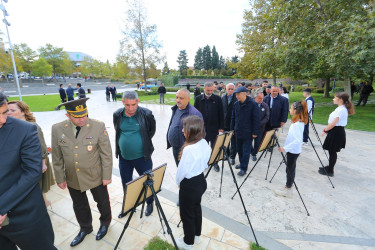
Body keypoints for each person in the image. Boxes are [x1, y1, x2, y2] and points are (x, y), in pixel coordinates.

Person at [52, 98, 113, 246]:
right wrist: (60, 178)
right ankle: (85, 228)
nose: (82, 119)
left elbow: (106, 153)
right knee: (79, 205)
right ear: (68, 115)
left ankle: (105, 222)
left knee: (102, 201)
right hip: (73, 177)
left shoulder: (98, 126)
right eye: (77, 116)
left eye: (84, 115)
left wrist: (107, 176)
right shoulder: (58, 129)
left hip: (95, 175)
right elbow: (57, 156)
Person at [0, 93, 56, 250]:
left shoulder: (25, 129)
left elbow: (32, 171)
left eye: (4, 112)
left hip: (25, 217)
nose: (3, 120)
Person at [113, 91, 156, 217]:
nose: (130, 108)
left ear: (137, 102)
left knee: (147, 182)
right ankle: (129, 206)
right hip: (124, 158)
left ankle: (149, 202)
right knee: (126, 183)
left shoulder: (146, 114)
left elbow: (151, 131)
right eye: (127, 105)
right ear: (123, 103)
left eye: (133, 104)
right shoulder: (117, 114)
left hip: (143, 157)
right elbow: (118, 131)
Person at [7, 100, 55, 208]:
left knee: (38, 186)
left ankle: (44, 205)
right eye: (7, 110)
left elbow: (42, 145)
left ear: (23, 112)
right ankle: (45, 203)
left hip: (36, 162)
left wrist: (43, 163)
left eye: (13, 110)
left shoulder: (32, 125)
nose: (9, 113)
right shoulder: (13, 126)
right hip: (23, 163)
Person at [175, 115, 211, 250]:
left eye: (184, 128)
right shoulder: (204, 142)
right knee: (196, 208)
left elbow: (181, 171)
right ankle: (197, 235)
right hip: (201, 181)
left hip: (189, 185)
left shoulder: (189, 149)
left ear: (192, 130)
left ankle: (188, 242)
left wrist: (178, 182)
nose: (182, 131)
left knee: (187, 214)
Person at [274, 101, 308, 198]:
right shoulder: (298, 121)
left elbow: (297, 140)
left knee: (290, 169)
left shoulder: (298, 124)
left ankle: (288, 189)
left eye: (291, 108)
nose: (289, 110)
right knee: (290, 168)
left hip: (293, 151)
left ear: (296, 110)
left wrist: (284, 148)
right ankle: (288, 186)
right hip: (293, 150)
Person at [320, 92, 355, 177]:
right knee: (331, 151)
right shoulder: (340, 108)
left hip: (336, 132)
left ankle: (330, 171)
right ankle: (330, 166)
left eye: (335, 98)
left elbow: (333, 123)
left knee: (332, 152)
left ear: (341, 100)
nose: (333, 99)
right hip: (335, 131)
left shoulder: (341, 110)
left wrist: (325, 130)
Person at [167, 89, 203, 166]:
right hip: (175, 147)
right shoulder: (176, 108)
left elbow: (200, 135)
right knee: (179, 168)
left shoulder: (194, 114)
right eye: (177, 97)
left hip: (185, 150)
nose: (178, 100)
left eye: (181, 98)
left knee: (186, 171)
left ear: (188, 99)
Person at [194, 82, 224, 172]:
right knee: (203, 147)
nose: (210, 92)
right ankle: (204, 163)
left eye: (211, 90)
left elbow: (221, 114)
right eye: (208, 90)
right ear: (204, 89)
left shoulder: (218, 99)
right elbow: (195, 114)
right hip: (202, 129)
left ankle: (215, 163)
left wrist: (221, 126)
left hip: (214, 128)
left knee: (215, 146)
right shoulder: (198, 99)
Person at [231, 86, 260, 176]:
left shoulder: (253, 104)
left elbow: (256, 119)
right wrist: (232, 129)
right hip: (238, 132)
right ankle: (241, 163)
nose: (237, 96)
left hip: (248, 132)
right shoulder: (236, 104)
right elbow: (233, 118)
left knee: (246, 151)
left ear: (244, 94)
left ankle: (244, 168)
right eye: (236, 94)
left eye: (238, 94)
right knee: (239, 150)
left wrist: (255, 132)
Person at [251, 92, 270, 161]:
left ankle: (254, 154)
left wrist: (258, 123)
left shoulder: (265, 106)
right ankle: (251, 151)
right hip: (251, 128)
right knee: (249, 142)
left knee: (257, 142)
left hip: (260, 128)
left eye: (262, 98)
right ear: (255, 98)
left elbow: (267, 117)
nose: (261, 100)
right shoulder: (251, 105)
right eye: (259, 98)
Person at [222, 83, 237, 165]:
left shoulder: (236, 98)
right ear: (226, 89)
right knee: (225, 141)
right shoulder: (222, 98)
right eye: (229, 89)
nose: (230, 90)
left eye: (232, 89)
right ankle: (226, 154)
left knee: (233, 142)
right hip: (225, 123)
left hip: (233, 124)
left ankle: (232, 157)